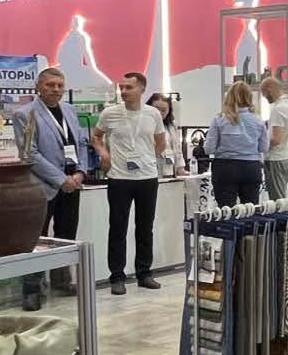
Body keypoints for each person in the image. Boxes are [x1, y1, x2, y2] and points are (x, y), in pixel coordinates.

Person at [11, 67, 90, 310]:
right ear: (38, 87)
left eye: (59, 85)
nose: (56, 89)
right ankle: (32, 290)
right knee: (35, 239)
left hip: (72, 184)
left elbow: (81, 144)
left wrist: (80, 172)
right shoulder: (25, 114)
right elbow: (30, 154)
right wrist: (60, 179)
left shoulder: (70, 110)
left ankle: (61, 282)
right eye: (50, 85)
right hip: (42, 187)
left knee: (66, 236)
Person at [93, 72, 166, 296]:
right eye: (121, 87)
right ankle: (117, 276)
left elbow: (160, 142)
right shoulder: (110, 113)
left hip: (147, 178)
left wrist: (146, 158)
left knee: (145, 227)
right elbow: (96, 136)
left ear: (142, 89)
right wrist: (104, 153)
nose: (123, 91)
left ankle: (144, 273)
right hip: (119, 178)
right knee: (118, 227)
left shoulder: (153, 114)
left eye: (129, 87)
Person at [204, 81, 267, 208]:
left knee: (226, 211)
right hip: (251, 168)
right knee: (250, 210)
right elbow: (263, 148)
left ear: (229, 97)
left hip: (225, 168)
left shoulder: (219, 120)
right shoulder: (258, 121)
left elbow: (208, 149)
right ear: (249, 98)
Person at [260, 76, 288, 200]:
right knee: (282, 196)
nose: (264, 97)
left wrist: (259, 146)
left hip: (275, 159)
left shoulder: (278, 109)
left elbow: (276, 139)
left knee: (277, 200)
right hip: (285, 157)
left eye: (264, 93)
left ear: (269, 89)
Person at [148, 92, 186, 177]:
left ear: (169, 110)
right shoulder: (143, 125)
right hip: (151, 168)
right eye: (156, 109)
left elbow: (177, 148)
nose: (159, 113)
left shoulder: (171, 126)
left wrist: (180, 167)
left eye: (164, 110)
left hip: (169, 167)